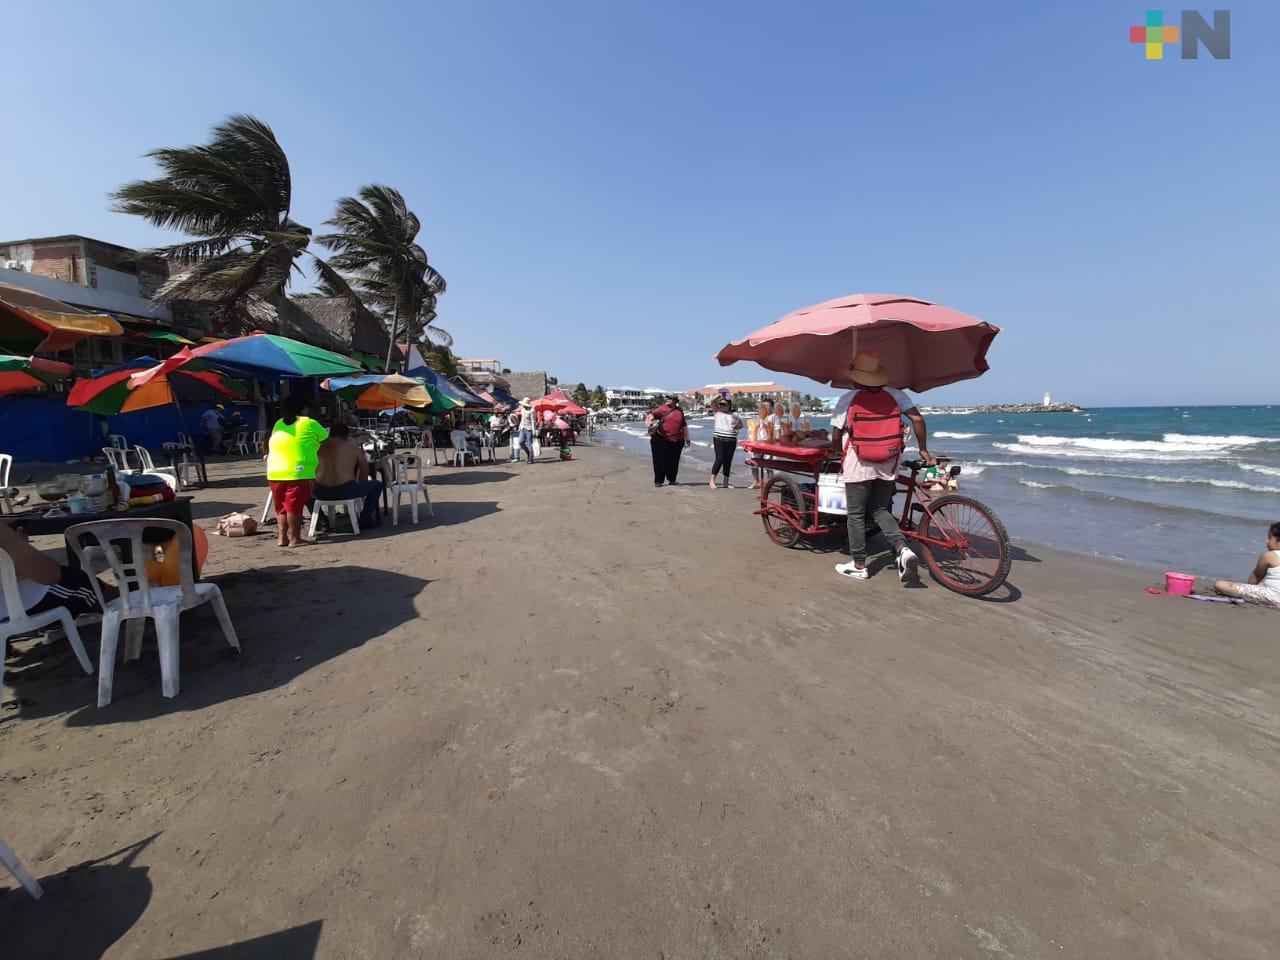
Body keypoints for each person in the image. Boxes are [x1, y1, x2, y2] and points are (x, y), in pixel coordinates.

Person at [828, 350, 933, 583]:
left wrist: (835, 449)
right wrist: (923, 449)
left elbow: (836, 433)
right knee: (879, 509)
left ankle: (859, 564)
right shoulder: (896, 395)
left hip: (858, 462)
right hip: (888, 462)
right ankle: (902, 549)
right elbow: (917, 419)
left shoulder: (848, 398)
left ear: (857, 376)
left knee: (855, 513)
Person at [0, 522, 104, 622]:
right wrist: (20, 544)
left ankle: (63, 624)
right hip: (13, 610)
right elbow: (50, 575)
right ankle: (114, 605)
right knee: (76, 579)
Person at [267, 395, 329, 548]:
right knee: (294, 507)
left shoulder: (279, 423)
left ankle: (282, 538)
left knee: (281, 507)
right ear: (303, 409)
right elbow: (327, 442)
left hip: (274, 471)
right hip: (299, 471)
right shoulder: (309, 423)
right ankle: (295, 539)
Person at [314, 421, 384, 531]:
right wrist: (360, 483)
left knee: (303, 493)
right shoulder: (353, 448)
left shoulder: (318, 448)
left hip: (321, 492)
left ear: (330, 434)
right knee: (377, 485)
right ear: (347, 435)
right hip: (345, 490)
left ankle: (322, 520)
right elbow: (364, 472)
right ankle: (365, 519)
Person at [1214, 522, 1280, 608]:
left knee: (1220, 584)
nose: (1266, 541)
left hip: (1271, 597)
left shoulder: (1269, 555)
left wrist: (1247, 589)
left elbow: (1256, 577)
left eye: (1270, 538)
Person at [646, 393, 689, 487]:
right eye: (667, 398)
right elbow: (651, 416)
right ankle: (658, 481)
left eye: (670, 398)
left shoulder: (679, 411)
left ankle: (672, 479)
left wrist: (687, 438)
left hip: (677, 440)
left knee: (674, 461)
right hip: (661, 439)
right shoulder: (662, 408)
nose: (668, 399)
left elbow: (684, 425)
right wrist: (649, 424)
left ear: (675, 401)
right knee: (659, 460)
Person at [709, 397, 743, 489]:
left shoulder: (735, 414)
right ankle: (712, 480)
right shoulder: (717, 412)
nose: (722, 406)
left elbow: (741, 425)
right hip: (718, 438)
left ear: (729, 405)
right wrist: (721, 394)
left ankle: (726, 482)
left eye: (724, 404)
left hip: (731, 439)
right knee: (719, 459)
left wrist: (737, 425)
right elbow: (712, 401)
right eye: (721, 404)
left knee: (728, 460)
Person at [516, 398, 537, 464]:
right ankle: (528, 454)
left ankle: (531, 458)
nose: (523, 405)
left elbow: (533, 421)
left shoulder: (532, 411)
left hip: (529, 429)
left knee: (530, 444)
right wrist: (519, 427)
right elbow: (522, 419)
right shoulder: (522, 410)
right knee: (520, 442)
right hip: (523, 428)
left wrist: (534, 430)